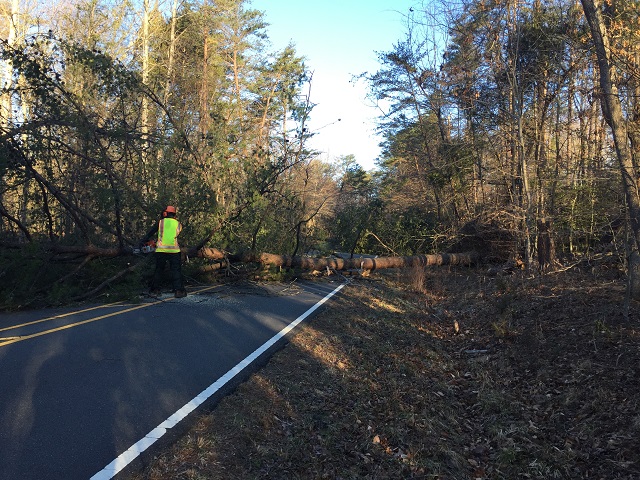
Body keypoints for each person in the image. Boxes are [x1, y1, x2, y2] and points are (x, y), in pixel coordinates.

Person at [141, 205, 187, 298]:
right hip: (174, 250)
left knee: (159, 270)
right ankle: (178, 291)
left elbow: (150, 233)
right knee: (176, 271)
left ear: (165, 213)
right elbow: (175, 234)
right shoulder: (178, 224)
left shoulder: (160, 222)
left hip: (161, 250)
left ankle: (155, 290)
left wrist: (143, 242)